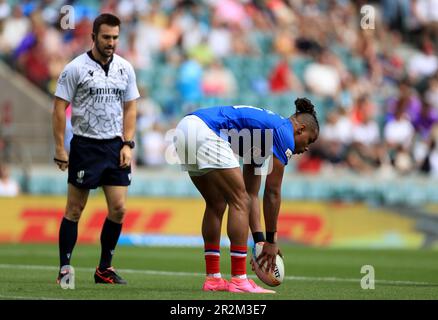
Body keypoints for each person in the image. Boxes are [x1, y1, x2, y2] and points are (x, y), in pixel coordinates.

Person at [173, 98, 319, 293]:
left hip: (185, 128)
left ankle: (213, 279)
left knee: (216, 203)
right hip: (205, 131)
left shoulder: (265, 137)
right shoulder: (284, 133)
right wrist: (272, 241)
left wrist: (260, 239)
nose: (307, 147)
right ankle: (239, 280)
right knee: (238, 200)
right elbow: (272, 193)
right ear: (300, 129)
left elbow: (252, 193)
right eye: (309, 140)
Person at [52, 13, 139, 287]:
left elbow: (131, 107)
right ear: (93, 37)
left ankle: (104, 269)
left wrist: (127, 143)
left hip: (115, 147)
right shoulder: (75, 68)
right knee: (75, 210)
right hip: (85, 146)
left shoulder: (125, 68)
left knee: (119, 209)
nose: (111, 42)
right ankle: (65, 268)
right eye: (106, 37)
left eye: (115, 37)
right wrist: (59, 148)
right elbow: (58, 108)